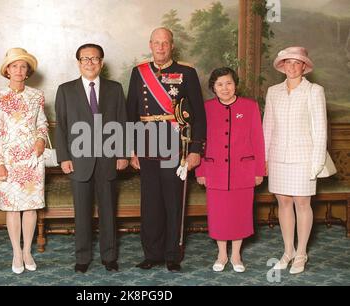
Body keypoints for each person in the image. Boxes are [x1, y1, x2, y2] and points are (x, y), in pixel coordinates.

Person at [127, 27, 206, 272]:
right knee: (150, 203)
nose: (161, 47)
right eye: (157, 43)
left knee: (173, 201)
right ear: (150, 45)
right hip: (147, 143)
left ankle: (173, 254)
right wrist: (131, 149)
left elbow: (200, 116)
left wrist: (195, 149)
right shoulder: (139, 72)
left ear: (172, 46)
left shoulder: (187, 72)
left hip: (176, 145)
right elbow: (131, 113)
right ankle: (152, 253)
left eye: (166, 43)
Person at [55, 43, 128, 273]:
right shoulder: (65, 90)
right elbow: (61, 127)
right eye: (85, 59)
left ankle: (109, 257)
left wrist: (123, 153)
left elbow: (123, 124)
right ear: (78, 63)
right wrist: (63, 157)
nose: (89, 63)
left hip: (108, 160)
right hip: (78, 161)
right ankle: (82, 258)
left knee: (108, 212)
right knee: (82, 213)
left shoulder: (115, 89)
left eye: (94, 59)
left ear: (102, 63)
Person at [263, 46, 327, 274]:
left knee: (302, 203)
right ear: (282, 66)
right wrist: (265, 158)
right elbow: (267, 127)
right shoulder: (273, 91)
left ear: (304, 66)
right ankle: (288, 251)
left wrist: (316, 163)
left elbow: (320, 130)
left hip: (304, 158)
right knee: (284, 203)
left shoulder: (314, 91)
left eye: (296, 62)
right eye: (287, 62)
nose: (291, 67)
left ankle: (301, 252)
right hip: (278, 156)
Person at [195, 67, 265, 273]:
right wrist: (200, 171)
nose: (225, 88)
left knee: (240, 214)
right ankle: (221, 254)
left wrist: (259, 170)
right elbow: (199, 141)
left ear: (235, 85)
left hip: (243, 171)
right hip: (214, 170)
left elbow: (258, 141)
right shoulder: (205, 108)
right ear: (213, 88)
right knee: (218, 214)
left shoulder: (250, 107)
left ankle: (236, 255)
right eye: (219, 84)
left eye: (229, 83)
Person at [0, 48, 49, 274]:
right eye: (14, 66)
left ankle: (27, 252)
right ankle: (16, 251)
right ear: (7, 70)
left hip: (33, 158)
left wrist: (41, 141)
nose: (18, 70)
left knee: (31, 206)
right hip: (9, 160)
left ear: (27, 72)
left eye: (23, 66)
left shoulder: (37, 95)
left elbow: (42, 124)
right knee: (13, 208)